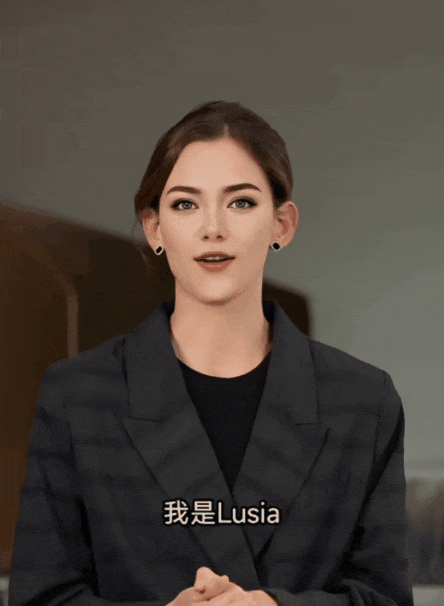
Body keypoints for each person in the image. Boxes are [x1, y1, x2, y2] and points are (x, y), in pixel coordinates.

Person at [8, 101, 413, 606]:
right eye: (185, 204)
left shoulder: (361, 400)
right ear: (154, 228)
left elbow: (385, 598)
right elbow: (40, 597)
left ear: (282, 224)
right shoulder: (80, 396)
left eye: (241, 202)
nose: (213, 228)